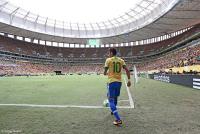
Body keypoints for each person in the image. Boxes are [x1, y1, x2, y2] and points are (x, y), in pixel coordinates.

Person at [104, 48, 131, 126]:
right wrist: (129, 80)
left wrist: (107, 72)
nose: (108, 54)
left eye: (109, 53)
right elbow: (127, 70)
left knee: (110, 100)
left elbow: (104, 72)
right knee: (115, 97)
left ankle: (118, 119)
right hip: (119, 82)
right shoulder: (121, 60)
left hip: (111, 82)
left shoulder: (108, 60)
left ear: (112, 53)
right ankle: (113, 110)